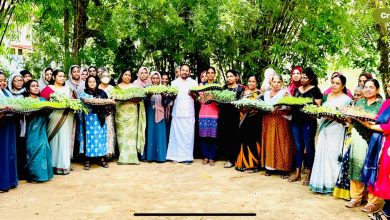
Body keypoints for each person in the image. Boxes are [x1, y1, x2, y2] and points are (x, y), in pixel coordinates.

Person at [345, 79, 383, 213]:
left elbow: (382, 122)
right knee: (356, 165)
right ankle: (356, 197)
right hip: (357, 135)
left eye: (371, 87)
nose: (367, 89)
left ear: (377, 90)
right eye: (365, 87)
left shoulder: (381, 104)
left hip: (375, 138)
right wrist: (347, 115)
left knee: (373, 167)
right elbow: (352, 119)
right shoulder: (360, 102)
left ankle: (373, 201)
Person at [309, 75, 352, 194]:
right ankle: (320, 183)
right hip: (324, 129)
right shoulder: (326, 96)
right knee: (322, 154)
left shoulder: (347, 100)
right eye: (333, 82)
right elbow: (320, 111)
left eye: (337, 83)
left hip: (337, 129)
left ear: (343, 86)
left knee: (333, 156)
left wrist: (334, 117)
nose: (334, 85)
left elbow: (348, 120)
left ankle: (333, 184)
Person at [288, 67, 323, 185]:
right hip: (296, 121)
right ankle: (297, 173)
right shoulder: (297, 89)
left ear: (311, 79)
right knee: (298, 146)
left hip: (308, 122)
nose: (302, 80)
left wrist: (310, 109)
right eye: (302, 77)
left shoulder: (315, 90)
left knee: (309, 147)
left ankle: (309, 174)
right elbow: (293, 103)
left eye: (305, 78)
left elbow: (318, 108)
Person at [363, 81, 390, 220]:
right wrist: (368, 122)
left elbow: (388, 127)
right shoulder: (387, 103)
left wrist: (370, 126)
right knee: (385, 174)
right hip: (384, 144)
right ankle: (387, 210)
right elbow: (380, 121)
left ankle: (387, 213)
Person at [41, 69, 75, 175]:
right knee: (55, 141)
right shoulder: (48, 89)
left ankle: (64, 165)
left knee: (65, 140)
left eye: (63, 76)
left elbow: (75, 101)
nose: (62, 78)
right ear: (54, 77)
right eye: (59, 76)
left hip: (67, 117)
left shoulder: (68, 89)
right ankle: (53, 165)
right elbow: (41, 103)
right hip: (54, 117)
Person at [261, 74, 294, 177]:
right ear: (271, 83)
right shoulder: (266, 93)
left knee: (282, 143)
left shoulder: (285, 92)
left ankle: (284, 169)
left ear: (282, 83)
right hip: (268, 120)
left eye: (279, 82)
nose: (276, 84)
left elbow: (291, 107)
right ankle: (270, 168)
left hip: (281, 120)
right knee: (270, 142)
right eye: (274, 82)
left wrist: (282, 105)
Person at [167, 64, 198, 164]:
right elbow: (171, 98)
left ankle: (187, 157)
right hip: (177, 112)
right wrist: (173, 96)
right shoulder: (174, 83)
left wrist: (192, 94)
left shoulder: (194, 82)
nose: (184, 72)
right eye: (183, 70)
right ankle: (174, 156)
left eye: (186, 70)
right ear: (179, 71)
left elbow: (196, 98)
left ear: (189, 72)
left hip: (189, 113)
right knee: (175, 135)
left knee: (188, 135)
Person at [24, 80, 53, 182]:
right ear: (28, 89)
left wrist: (48, 108)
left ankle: (44, 175)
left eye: (37, 86)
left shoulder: (42, 99)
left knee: (44, 149)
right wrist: (36, 109)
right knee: (32, 150)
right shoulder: (25, 100)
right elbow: (25, 114)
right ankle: (34, 176)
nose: (36, 87)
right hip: (32, 129)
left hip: (42, 128)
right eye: (33, 86)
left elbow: (49, 112)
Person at [115, 68, 146, 165]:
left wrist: (137, 100)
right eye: (126, 75)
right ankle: (123, 158)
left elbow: (140, 100)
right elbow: (114, 100)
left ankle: (132, 158)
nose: (128, 77)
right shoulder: (116, 88)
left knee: (131, 136)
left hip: (132, 114)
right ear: (121, 75)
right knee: (122, 135)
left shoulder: (134, 87)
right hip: (120, 114)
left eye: (129, 75)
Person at [79, 76, 109, 170]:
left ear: (97, 82)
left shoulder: (102, 93)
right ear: (87, 83)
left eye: (94, 81)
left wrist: (104, 109)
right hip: (87, 120)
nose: (92, 83)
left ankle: (101, 158)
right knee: (88, 139)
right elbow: (80, 108)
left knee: (100, 138)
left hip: (99, 119)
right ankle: (87, 159)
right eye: (90, 82)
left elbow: (108, 105)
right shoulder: (83, 94)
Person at [235, 75, 261, 172]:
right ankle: (242, 163)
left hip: (253, 121)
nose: (251, 83)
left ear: (257, 83)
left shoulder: (259, 94)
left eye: (253, 81)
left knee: (252, 141)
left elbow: (260, 108)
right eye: (249, 81)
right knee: (243, 140)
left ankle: (253, 165)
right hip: (242, 119)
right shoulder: (242, 93)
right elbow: (237, 104)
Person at [218, 69, 244, 168]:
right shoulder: (223, 88)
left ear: (236, 77)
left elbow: (242, 102)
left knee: (234, 137)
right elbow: (219, 101)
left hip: (235, 116)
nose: (229, 78)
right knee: (225, 137)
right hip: (224, 115)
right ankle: (229, 158)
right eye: (228, 76)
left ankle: (235, 159)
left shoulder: (240, 89)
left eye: (231, 76)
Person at [143, 71, 168, 162]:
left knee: (160, 133)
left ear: (160, 79)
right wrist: (148, 96)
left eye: (157, 78)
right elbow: (144, 102)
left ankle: (161, 156)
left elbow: (166, 103)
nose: (155, 80)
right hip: (150, 112)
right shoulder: (147, 88)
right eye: (153, 78)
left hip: (161, 113)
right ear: (150, 79)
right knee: (151, 132)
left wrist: (163, 96)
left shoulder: (164, 88)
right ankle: (150, 156)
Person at [0, 71, 18, 192]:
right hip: (1, 127)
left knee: (10, 152)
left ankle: (11, 181)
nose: (3, 82)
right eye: (0, 80)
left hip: (9, 124)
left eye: (4, 80)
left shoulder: (7, 92)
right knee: (2, 154)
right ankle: (2, 183)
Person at [198, 67, 219, 166]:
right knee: (203, 136)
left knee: (213, 136)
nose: (210, 74)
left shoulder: (218, 86)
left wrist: (211, 97)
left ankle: (212, 157)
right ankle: (205, 157)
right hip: (203, 113)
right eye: (208, 73)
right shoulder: (201, 85)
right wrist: (211, 96)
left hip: (214, 113)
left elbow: (219, 99)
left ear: (215, 74)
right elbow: (201, 99)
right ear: (206, 74)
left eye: (212, 73)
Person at [98, 71, 116, 158]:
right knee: (101, 131)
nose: (105, 77)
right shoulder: (97, 87)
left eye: (107, 76)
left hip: (109, 113)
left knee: (109, 131)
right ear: (100, 77)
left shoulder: (112, 88)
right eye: (103, 75)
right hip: (98, 113)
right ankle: (100, 152)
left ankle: (109, 152)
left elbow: (115, 100)